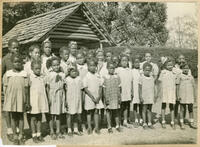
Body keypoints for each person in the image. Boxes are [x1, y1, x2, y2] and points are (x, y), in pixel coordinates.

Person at [3, 53, 29, 145]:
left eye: (19, 62)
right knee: (13, 117)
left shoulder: (24, 74)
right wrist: (7, 100)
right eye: (15, 62)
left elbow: (26, 89)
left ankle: (21, 135)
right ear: (12, 62)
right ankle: (15, 136)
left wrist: (27, 102)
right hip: (12, 100)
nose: (17, 63)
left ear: (22, 63)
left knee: (21, 117)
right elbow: (5, 88)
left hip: (21, 99)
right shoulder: (8, 74)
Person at [2, 38, 19, 142]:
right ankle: (9, 129)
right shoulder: (5, 59)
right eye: (14, 48)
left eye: (17, 47)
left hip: (18, 87)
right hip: (8, 86)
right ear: (9, 48)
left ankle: (16, 128)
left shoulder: (19, 58)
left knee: (16, 107)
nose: (16, 49)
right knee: (8, 108)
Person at [28, 59, 49, 143]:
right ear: (32, 68)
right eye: (36, 68)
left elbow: (46, 85)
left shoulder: (42, 77)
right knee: (33, 118)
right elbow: (27, 90)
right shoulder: (30, 77)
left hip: (40, 101)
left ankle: (39, 134)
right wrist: (28, 102)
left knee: (40, 118)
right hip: (33, 101)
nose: (38, 70)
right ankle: (34, 135)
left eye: (39, 68)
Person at [46, 57, 65, 140]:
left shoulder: (62, 74)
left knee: (58, 114)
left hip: (60, 94)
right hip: (52, 95)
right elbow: (47, 87)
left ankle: (58, 130)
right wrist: (48, 97)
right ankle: (51, 131)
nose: (56, 67)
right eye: (54, 65)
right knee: (51, 114)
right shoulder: (49, 75)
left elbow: (64, 86)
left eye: (57, 65)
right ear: (51, 66)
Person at [83, 59, 104, 135]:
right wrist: (92, 97)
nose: (92, 67)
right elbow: (85, 88)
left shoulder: (98, 75)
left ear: (96, 66)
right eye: (90, 65)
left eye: (94, 65)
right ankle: (89, 127)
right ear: (88, 66)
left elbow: (100, 86)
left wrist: (99, 96)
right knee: (89, 112)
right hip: (89, 97)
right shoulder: (86, 76)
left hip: (97, 96)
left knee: (96, 111)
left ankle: (97, 127)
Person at [176, 64, 196, 129]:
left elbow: (193, 87)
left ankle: (191, 122)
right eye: (184, 68)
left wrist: (194, 96)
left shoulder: (191, 77)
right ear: (181, 69)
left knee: (190, 109)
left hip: (190, 95)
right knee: (182, 109)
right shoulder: (179, 76)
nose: (185, 69)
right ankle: (181, 123)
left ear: (189, 69)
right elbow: (177, 86)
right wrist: (178, 95)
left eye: (187, 68)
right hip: (182, 95)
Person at [158, 59, 177, 129]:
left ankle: (172, 122)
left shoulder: (174, 72)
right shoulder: (163, 72)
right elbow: (160, 82)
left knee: (172, 106)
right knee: (163, 106)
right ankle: (163, 121)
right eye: (168, 65)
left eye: (171, 65)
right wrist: (160, 92)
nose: (170, 66)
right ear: (165, 65)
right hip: (165, 91)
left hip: (171, 91)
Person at [103, 61, 121, 133]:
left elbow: (119, 88)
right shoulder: (105, 77)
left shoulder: (117, 77)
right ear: (107, 68)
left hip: (115, 96)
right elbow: (104, 89)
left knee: (116, 111)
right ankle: (109, 126)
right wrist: (105, 98)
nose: (111, 69)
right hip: (108, 96)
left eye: (113, 68)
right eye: (110, 68)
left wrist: (119, 97)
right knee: (108, 111)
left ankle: (117, 125)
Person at [65, 67, 84, 136]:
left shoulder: (79, 79)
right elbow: (64, 90)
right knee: (69, 115)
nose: (74, 73)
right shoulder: (67, 79)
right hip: (69, 99)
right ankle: (69, 130)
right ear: (69, 72)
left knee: (76, 114)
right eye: (72, 71)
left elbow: (82, 90)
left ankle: (76, 129)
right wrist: (65, 101)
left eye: (75, 71)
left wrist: (82, 99)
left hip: (77, 99)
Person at [115, 54, 133, 127]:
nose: (124, 62)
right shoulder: (118, 70)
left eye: (126, 61)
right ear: (120, 62)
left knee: (126, 105)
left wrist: (132, 91)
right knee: (120, 106)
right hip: (121, 91)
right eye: (123, 60)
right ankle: (119, 121)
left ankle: (125, 120)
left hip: (127, 90)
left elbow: (131, 81)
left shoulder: (129, 70)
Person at [173, 54, 191, 123]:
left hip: (184, 88)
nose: (181, 60)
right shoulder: (174, 68)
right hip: (176, 87)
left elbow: (189, 77)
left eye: (183, 58)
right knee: (176, 103)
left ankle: (182, 118)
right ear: (177, 59)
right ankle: (175, 117)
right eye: (180, 58)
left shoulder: (187, 68)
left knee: (184, 103)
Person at [139, 62, 156, 129]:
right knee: (144, 110)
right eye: (146, 70)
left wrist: (154, 95)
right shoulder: (141, 78)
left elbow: (153, 87)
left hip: (150, 96)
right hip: (144, 96)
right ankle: (144, 123)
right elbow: (139, 88)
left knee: (149, 110)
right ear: (143, 70)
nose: (147, 71)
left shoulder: (152, 78)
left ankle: (149, 122)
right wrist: (140, 96)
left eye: (149, 70)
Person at [132, 58, 143, 127]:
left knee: (141, 105)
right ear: (133, 63)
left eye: (138, 62)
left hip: (140, 90)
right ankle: (136, 119)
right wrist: (132, 91)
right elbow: (131, 81)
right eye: (135, 62)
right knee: (135, 104)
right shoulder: (132, 71)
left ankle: (141, 118)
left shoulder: (142, 71)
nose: (137, 63)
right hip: (134, 89)